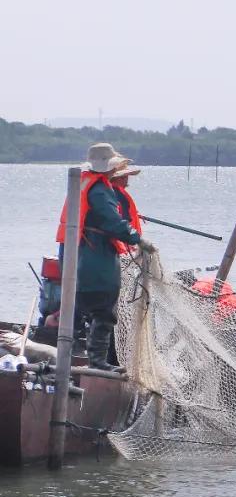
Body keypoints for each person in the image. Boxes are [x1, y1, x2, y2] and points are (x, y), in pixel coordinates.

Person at [54, 143, 154, 371]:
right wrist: (137, 239)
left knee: (78, 308)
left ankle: (69, 360)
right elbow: (112, 220)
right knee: (104, 309)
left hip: (76, 255)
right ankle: (98, 362)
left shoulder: (85, 182)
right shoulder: (100, 190)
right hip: (95, 256)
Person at [189, 274, 236, 355]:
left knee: (228, 353)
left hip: (231, 316)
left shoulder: (195, 289)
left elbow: (206, 310)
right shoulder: (210, 281)